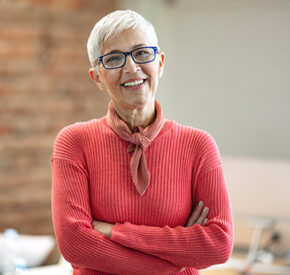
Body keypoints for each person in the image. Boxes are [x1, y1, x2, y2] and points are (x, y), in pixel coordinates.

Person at [51, 9, 233, 275]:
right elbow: (75, 245)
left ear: (159, 62)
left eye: (142, 53)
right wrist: (177, 258)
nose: (131, 67)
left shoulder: (198, 145)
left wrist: (115, 231)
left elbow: (218, 245)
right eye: (114, 58)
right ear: (97, 77)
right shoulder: (74, 143)